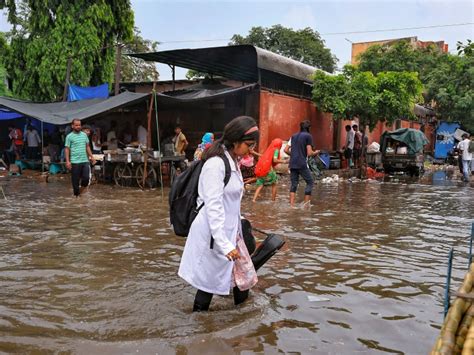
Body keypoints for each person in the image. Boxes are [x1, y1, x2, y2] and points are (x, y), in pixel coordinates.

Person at [178, 116, 260, 312]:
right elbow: (213, 206)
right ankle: (201, 325)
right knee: (208, 284)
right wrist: (224, 243)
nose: (251, 149)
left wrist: (241, 225)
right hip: (214, 233)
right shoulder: (216, 164)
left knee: (243, 277)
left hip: (231, 230)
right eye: (249, 144)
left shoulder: (233, 160)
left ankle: (243, 319)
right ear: (235, 141)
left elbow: (230, 201)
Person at [284, 120, 319, 207]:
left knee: (294, 184)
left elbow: (285, 150)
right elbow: (310, 153)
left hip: (292, 163)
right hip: (302, 163)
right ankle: (306, 204)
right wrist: (317, 152)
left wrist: (294, 155)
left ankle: (291, 205)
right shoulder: (308, 136)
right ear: (309, 128)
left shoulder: (293, 136)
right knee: (310, 182)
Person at [65, 119, 95, 197]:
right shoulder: (69, 136)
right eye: (76, 125)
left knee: (86, 179)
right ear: (72, 126)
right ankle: (76, 197)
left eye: (79, 125)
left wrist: (92, 157)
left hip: (85, 160)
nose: (78, 127)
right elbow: (67, 149)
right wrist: (68, 161)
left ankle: (79, 193)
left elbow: (87, 146)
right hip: (75, 162)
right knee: (75, 182)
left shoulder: (84, 135)